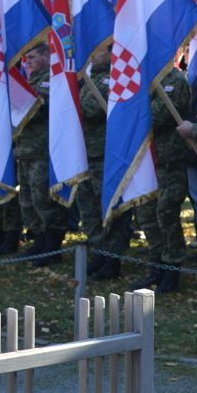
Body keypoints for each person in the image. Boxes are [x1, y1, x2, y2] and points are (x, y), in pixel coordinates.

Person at [132, 66, 193, 294]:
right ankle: (156, 266)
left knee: (166, 214)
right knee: (147, 215)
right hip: (147, 160)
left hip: (170, 161)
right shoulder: (142, 77)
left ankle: (172, 269)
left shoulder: (173, 80)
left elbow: (156, 117)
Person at [77, 48, 132, 280]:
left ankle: (112, 258)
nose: (92, 53)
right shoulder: (88, 78)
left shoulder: (111, 78)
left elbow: (91, 109)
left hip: (105, 154)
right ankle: (98, 251)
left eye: (98, 50)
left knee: (109, 208)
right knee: (89, 208)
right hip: (85, 154)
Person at [13, 43, 68, 265]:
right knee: (27, 201)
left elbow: (38, 107)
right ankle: (38, 242)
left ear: (47, 56)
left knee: (43, 200)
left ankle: (52, 248)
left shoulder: (50, 80)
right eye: (26, 58)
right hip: (25, 151)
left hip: (42, 151)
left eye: (33, 56)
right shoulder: (29, 80)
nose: (28, 61)